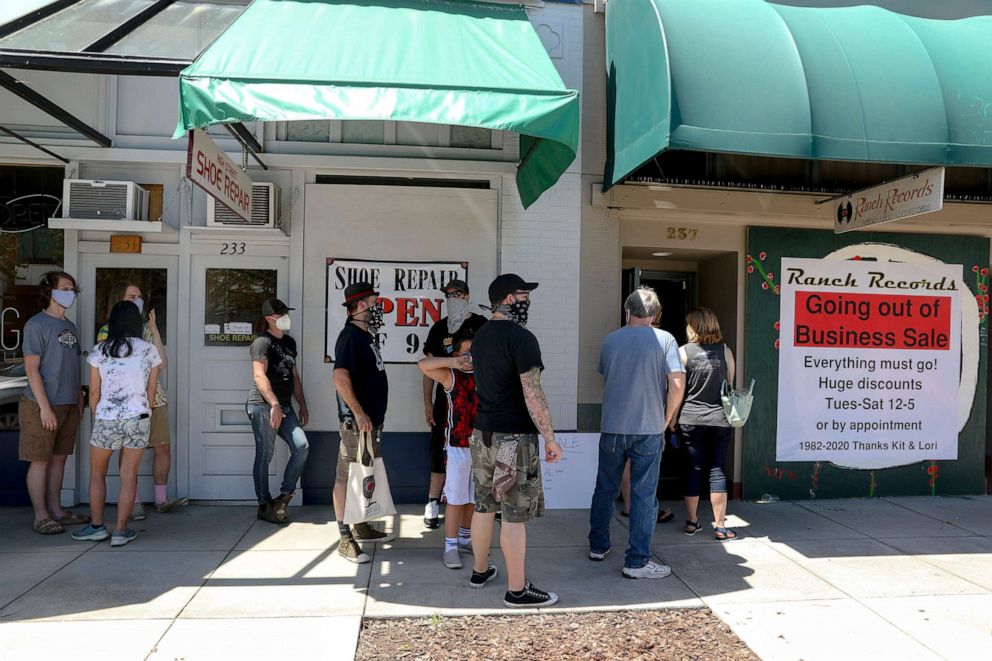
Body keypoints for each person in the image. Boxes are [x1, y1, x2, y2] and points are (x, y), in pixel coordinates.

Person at [469, 273, 563, 608]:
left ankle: (480, 571)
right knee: (513, 514)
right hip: (515, 439)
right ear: (510, 299)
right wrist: (550, 438)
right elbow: (533, 391)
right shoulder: (522, 338)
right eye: (524, 295)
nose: (527, 301)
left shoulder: (480, 336)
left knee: (483, 506)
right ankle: (517, 590)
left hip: (482, 434)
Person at [588, 287, 685, 578]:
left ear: (627, 311)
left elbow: (608, 375)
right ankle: (637, 561)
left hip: (612, 426)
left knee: (605, 488)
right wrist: (666, 420)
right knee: (644, 495)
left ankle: (598, 545)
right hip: (648, 427)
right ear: (656, 315)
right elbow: (677, 384)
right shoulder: (665, 339)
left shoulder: (610, 340)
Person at [71, 300, 161, 546]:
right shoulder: (148, 350)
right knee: (128, 475)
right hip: (138, 418)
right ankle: (121, 531)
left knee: (97, 475)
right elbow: (151, 389)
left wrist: (97, 417)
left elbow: (94, 392)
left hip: (107, 419)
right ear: (136, 321)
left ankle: (97, 527)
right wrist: (146, 412)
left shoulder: (100, 350)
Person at [97, 282, 186, 519]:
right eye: (131, 296)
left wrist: (154, 328)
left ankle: (161, 499)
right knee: (128, 454)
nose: (137, 300)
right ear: (120, 300)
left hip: (154, 398)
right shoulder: (108, 331)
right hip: (126, 404)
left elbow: (162, 363)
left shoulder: (146, 330)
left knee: (162, 447)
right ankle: (132, 503)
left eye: (139, 296)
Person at [19, 271, 89, 534]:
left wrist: (79, 397)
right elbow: (32, 369)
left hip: (68, 404)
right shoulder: (36, 325)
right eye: (64, 288)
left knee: (59, 459)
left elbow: (70, 365)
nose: (69, 293)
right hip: (40, 405)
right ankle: (41, 516)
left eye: (72, 288)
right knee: (40, 460)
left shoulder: (69, 326)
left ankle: (57, 510)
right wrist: (45, 407)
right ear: (50, 291)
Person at [332, 282, 394, 563]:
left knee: (365, 476)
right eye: (373, 302)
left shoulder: (368, 335)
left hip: (371, 424)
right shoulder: (349, 337)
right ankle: (345, 538)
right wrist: (357, 412)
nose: (377, 307)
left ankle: (361, 525)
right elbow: (340, 378)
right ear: (359, 306)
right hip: (356, 425)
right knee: (346, 476)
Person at [421, 279, 487, 529]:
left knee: (478, 456)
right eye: (447, 294)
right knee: (439, 448)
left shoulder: (481, 324)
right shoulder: (439, 329)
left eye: (457, 293)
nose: (452, 297)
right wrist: (427, 403)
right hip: (447, 397)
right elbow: (427, 369)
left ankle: (479, 509)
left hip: (477, 399)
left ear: (467, 295)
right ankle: (432, 501)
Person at [246, 298, 311, 525]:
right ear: (269, 319)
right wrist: (273, 404)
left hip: (285, 405)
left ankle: (284, 497)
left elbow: (294, 376)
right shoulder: (262, 343)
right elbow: (259, 376)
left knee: (301, 446)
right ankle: (264, 505)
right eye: (280, 314)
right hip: (264, 406)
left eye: (285, 313)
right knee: (265, 455)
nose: (284, 318)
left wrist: (301, 403)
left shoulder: (290, 343)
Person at [676, 308, 738, 541]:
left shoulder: (683, 352)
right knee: (717, 469)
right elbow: (729, 385)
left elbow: (678, 389)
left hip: (690, 418)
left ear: (692, 327)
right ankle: (720, 526)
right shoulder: (725, 351)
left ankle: (692, 522)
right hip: (719, 419)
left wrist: (671, 418)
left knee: (692, 469)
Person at [418, 329, 477, 568]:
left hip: (482, 446)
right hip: (457, 445)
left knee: (473, 499)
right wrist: (454, 362)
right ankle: (450, 546)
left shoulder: (487, 373)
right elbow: (424, 365)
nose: (472, 357)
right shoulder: (452, 376)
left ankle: (465, 537)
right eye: (467, 353)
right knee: (456, 498)